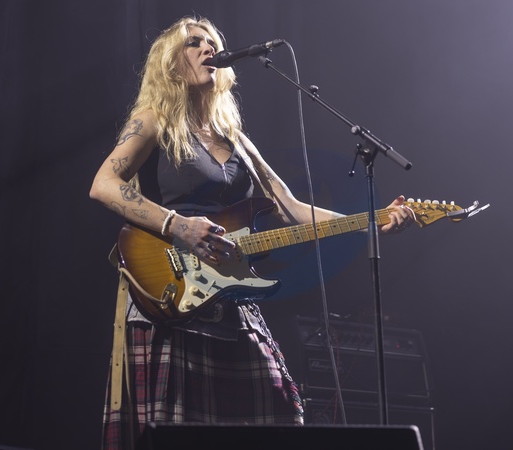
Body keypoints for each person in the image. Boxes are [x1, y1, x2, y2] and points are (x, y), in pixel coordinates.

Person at [89, 15, 414, 450]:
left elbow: (290, 208)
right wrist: (177, 224)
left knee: (276, 413)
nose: (208, 48)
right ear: (169, 63)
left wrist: (370, 221)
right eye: (194, 43)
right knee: (172, 426)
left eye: (212, 42)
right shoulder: (154, 121)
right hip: (171, 287)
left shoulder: (236, 138)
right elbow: (104, 184)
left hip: (230, 289)